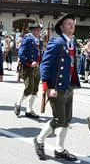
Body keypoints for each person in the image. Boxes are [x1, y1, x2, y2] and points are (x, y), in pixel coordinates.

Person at [34, 13, 80, 161]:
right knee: (59, 119)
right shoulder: (57, 42)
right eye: (68, 23)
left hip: (69, 86)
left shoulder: (73, 43)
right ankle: (39, 140)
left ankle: (59, 149)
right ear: (62, 27)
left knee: (66, 119)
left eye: (73, 23)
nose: (72, 25)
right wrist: (47, 86)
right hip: (56, 87)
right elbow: (45, 65)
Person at [14, 21, 43, 119]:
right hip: (28, 67)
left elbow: (40, 53)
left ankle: (29, 110)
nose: (39, 32)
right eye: (38, 30)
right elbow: (21, 54)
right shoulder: (27, 39)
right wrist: (29, 63)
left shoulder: (39, 40)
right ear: (33, 30)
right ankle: (18, 103)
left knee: (35, 90)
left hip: (37, 67)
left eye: (40, 30)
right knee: (29, 88)